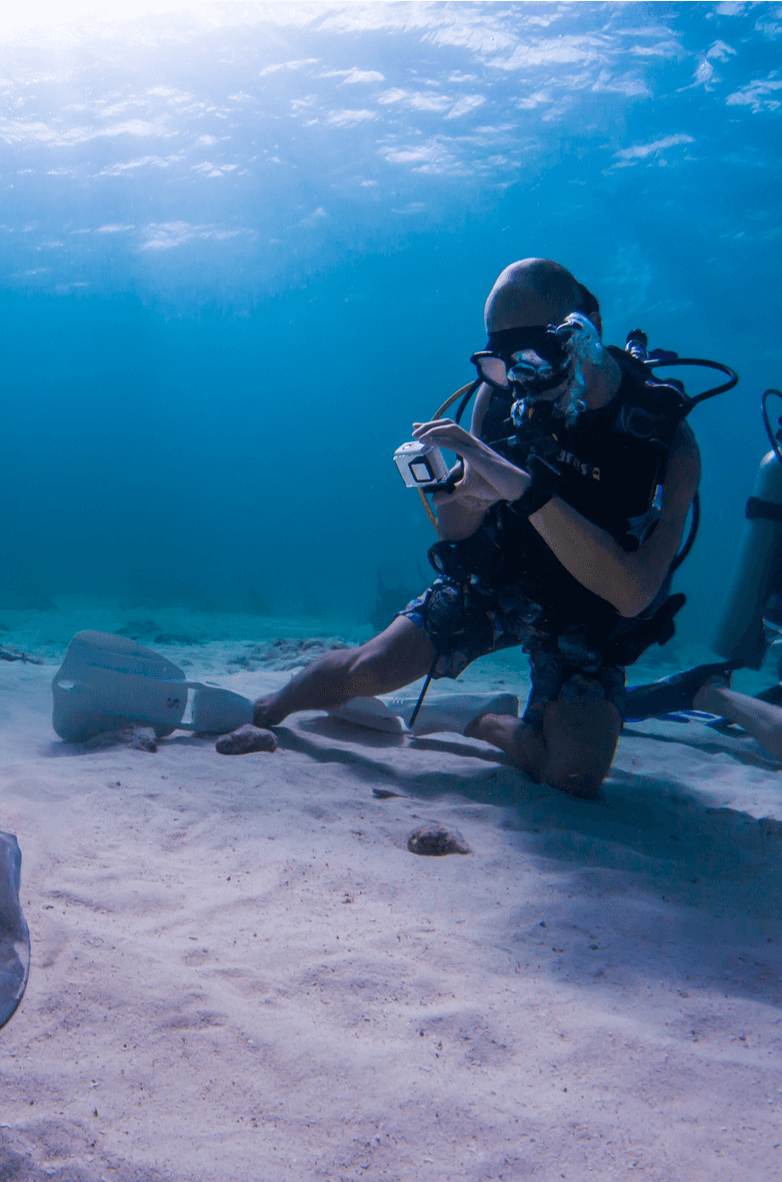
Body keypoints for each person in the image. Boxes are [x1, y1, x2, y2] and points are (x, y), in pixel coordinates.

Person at [254, 258, 701, 798]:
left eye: (535, 357)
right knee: (368, 670)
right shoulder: (498, 402)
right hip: (499, 577)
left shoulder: (664, 440)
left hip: (591, 609)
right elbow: (456, 533)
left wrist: (521, 489)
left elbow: (632, 596)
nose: (518, 380)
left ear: (585, 332)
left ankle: (481, 720)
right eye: (501, 361)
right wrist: (464, 494)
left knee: (574, 775)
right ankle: (263, 708)